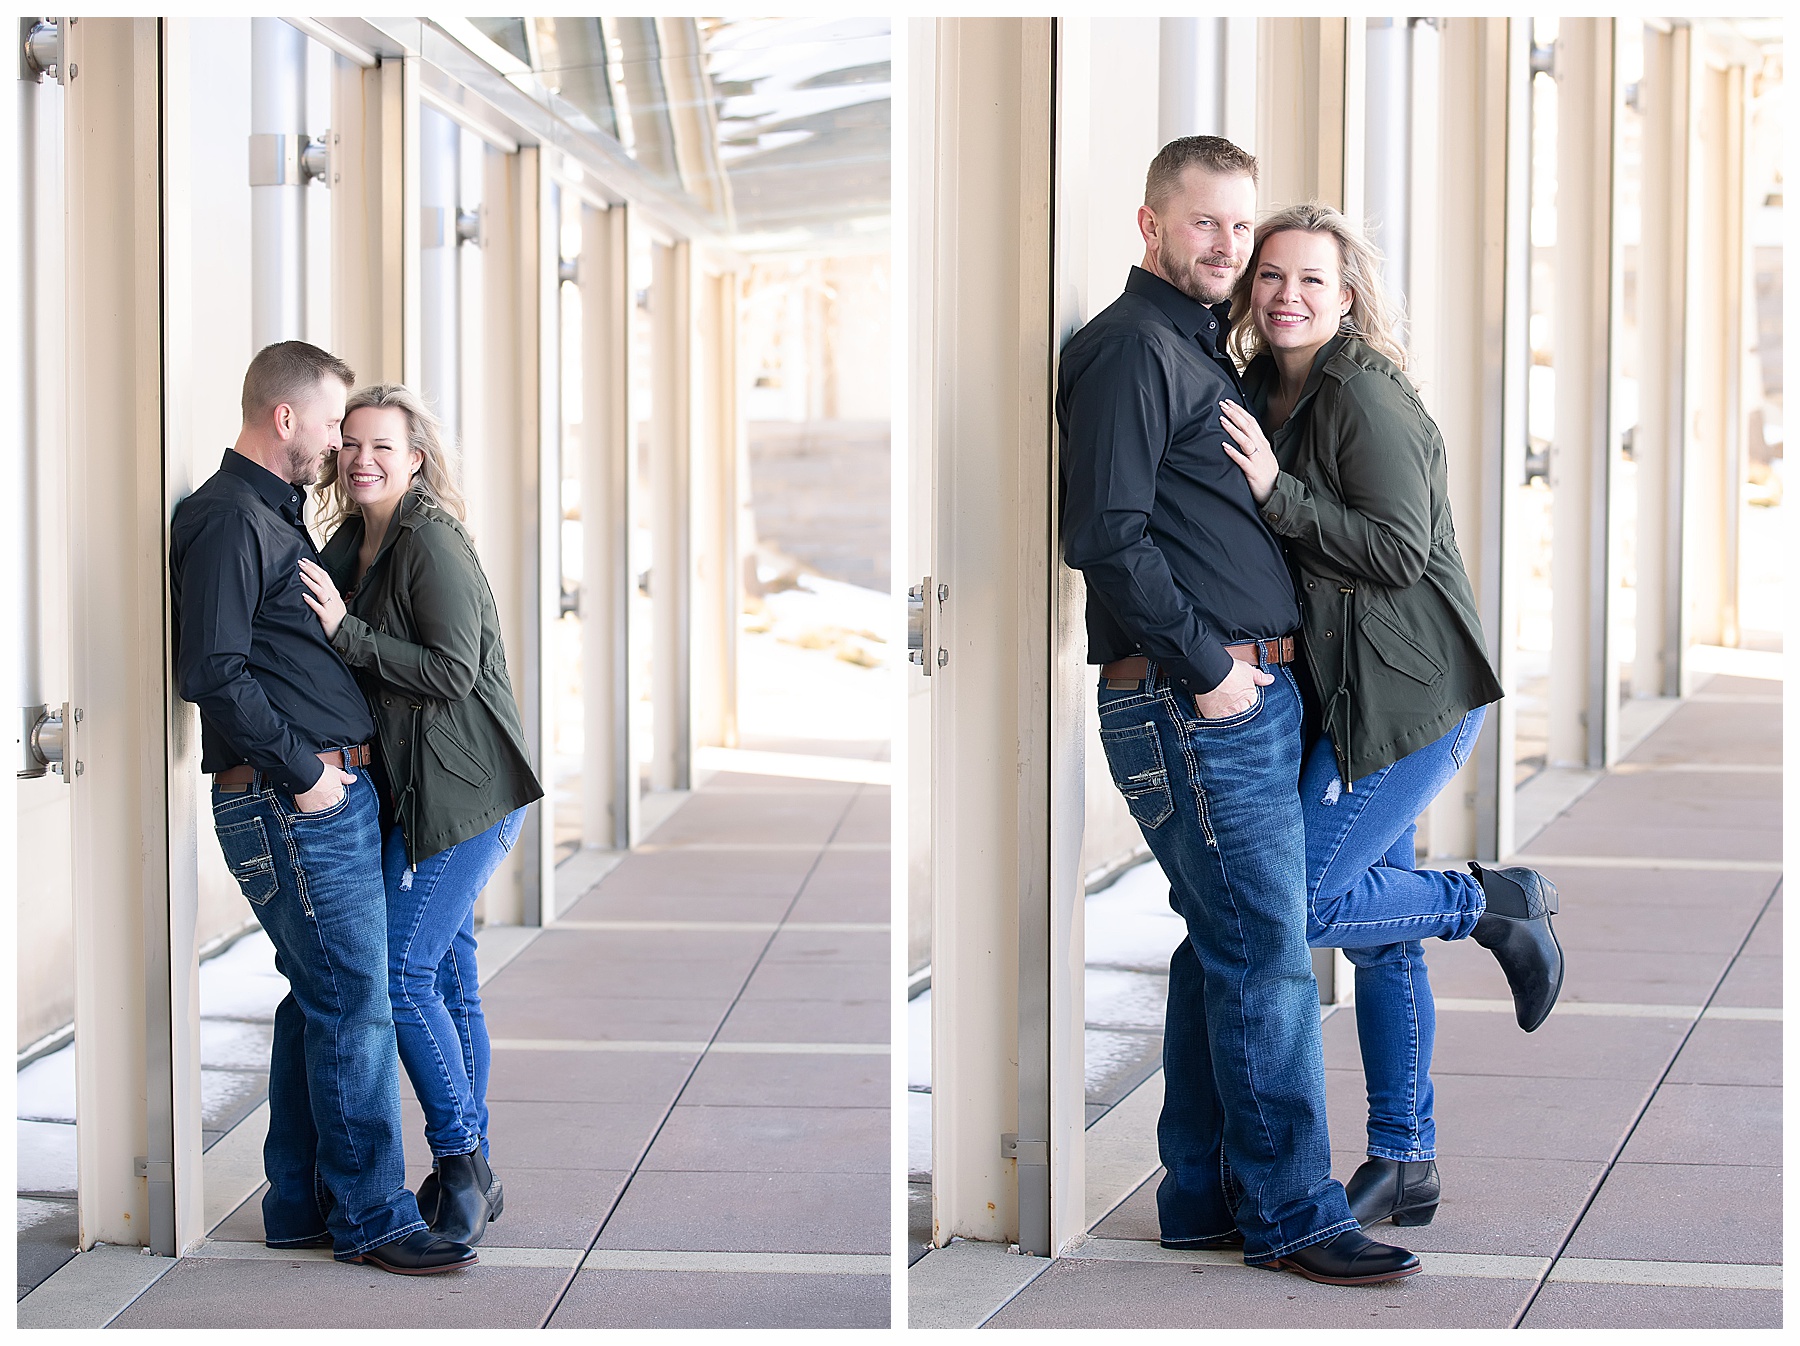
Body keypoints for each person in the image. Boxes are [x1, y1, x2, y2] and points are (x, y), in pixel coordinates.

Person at [1058, 136, 1419, 1286]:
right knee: (1267, 951)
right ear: (1151, 223)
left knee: (1226, 948)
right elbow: (1103, 535)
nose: (1225, 246)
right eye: (1203, 223)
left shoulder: (1195, 348)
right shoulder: (1127, 350)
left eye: (1238, 227)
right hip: (1192, 699)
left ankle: (1204, 1195)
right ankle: (1295, 1214)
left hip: (1227, 695)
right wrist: (1212, 664)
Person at [1218, 201, 1565, 1230]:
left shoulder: (1365, 395)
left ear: (1347, 294)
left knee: (1313, 903)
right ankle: (1407, 1161)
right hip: (1347, 694)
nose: (1288, 295)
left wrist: (1278, 494)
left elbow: (1398, 550)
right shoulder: (1263, 388)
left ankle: (1491, 901)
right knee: (1377, 931)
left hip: (1411, 696)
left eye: (1311, 279)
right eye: (1272, 277)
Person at [170, 342, 476, 1275]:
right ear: (286, 420)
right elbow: (212, 672)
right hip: (290, 800)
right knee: (355, 1004)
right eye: (333, 430)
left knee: (321, 1003)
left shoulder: (274, 514)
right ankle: (376, 1216)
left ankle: (300, 1204)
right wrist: (305, 770)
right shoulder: (227, 519)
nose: (342, 451)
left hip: (316, 794)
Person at [298, 383, 543, 1247]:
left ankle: (462, 1157)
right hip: (419, 798)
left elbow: (453, 672)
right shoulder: (350, 542)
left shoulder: (431, 541)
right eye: (351, 444)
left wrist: (346, 636)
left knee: (401, 973)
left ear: (417, 458)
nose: (362, 458)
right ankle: (471, 1168)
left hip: (467, 795)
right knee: (444, 978)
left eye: (382, 446)